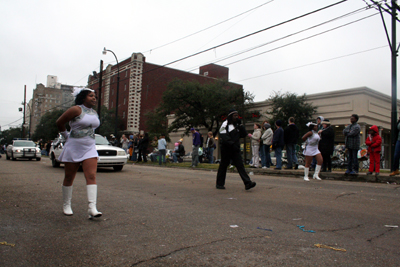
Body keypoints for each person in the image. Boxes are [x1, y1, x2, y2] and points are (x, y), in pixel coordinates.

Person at [56, 87, 102, 219]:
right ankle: (66, 204)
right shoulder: (76, 109)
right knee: (69, 177)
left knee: (91, 176)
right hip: (74, 146)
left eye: (94, 96)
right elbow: (59, 122)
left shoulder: (94, 112)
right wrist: (66, 135)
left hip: (89, 147)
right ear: (83, 97)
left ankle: (92, 207)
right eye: (90, 96)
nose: (94, 98)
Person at [216, 109, 256, 190]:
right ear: (231, 116)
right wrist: (231, 143)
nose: (236, 117)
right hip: (227, 148)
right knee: (224, 165)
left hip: (235, 148)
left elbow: (243, 134)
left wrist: (241, 126)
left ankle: (247, 183)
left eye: (237, 115)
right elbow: (223, 135)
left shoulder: (237, 125)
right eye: (235, 115)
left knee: (240, 165)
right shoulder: (225, 123)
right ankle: (219, 183)